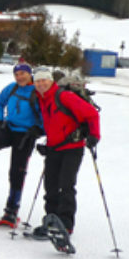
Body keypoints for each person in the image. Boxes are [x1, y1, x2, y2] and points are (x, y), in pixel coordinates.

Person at [30, 69, 100, 239]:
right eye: (38, 81)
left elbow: (91, 113)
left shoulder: (63, 96)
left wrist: (94, 136)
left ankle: (66, 224)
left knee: (66, 185)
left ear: (51, 81)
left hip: (72, 147)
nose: (41, 84)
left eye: (44, 80)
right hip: (54, 148)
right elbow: (52, 123)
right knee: (50, 186)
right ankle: (52, 220)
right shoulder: (41, 99)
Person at [0, 63, 43, 227]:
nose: (19, 77)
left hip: (26, 135)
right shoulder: (11, 88)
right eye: (17, 74)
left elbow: (46, 115)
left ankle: (12, 210)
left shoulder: (37, 92)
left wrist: (39, 130)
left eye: (23, 74)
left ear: (29, 74)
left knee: (17, 172)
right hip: (9, 127)